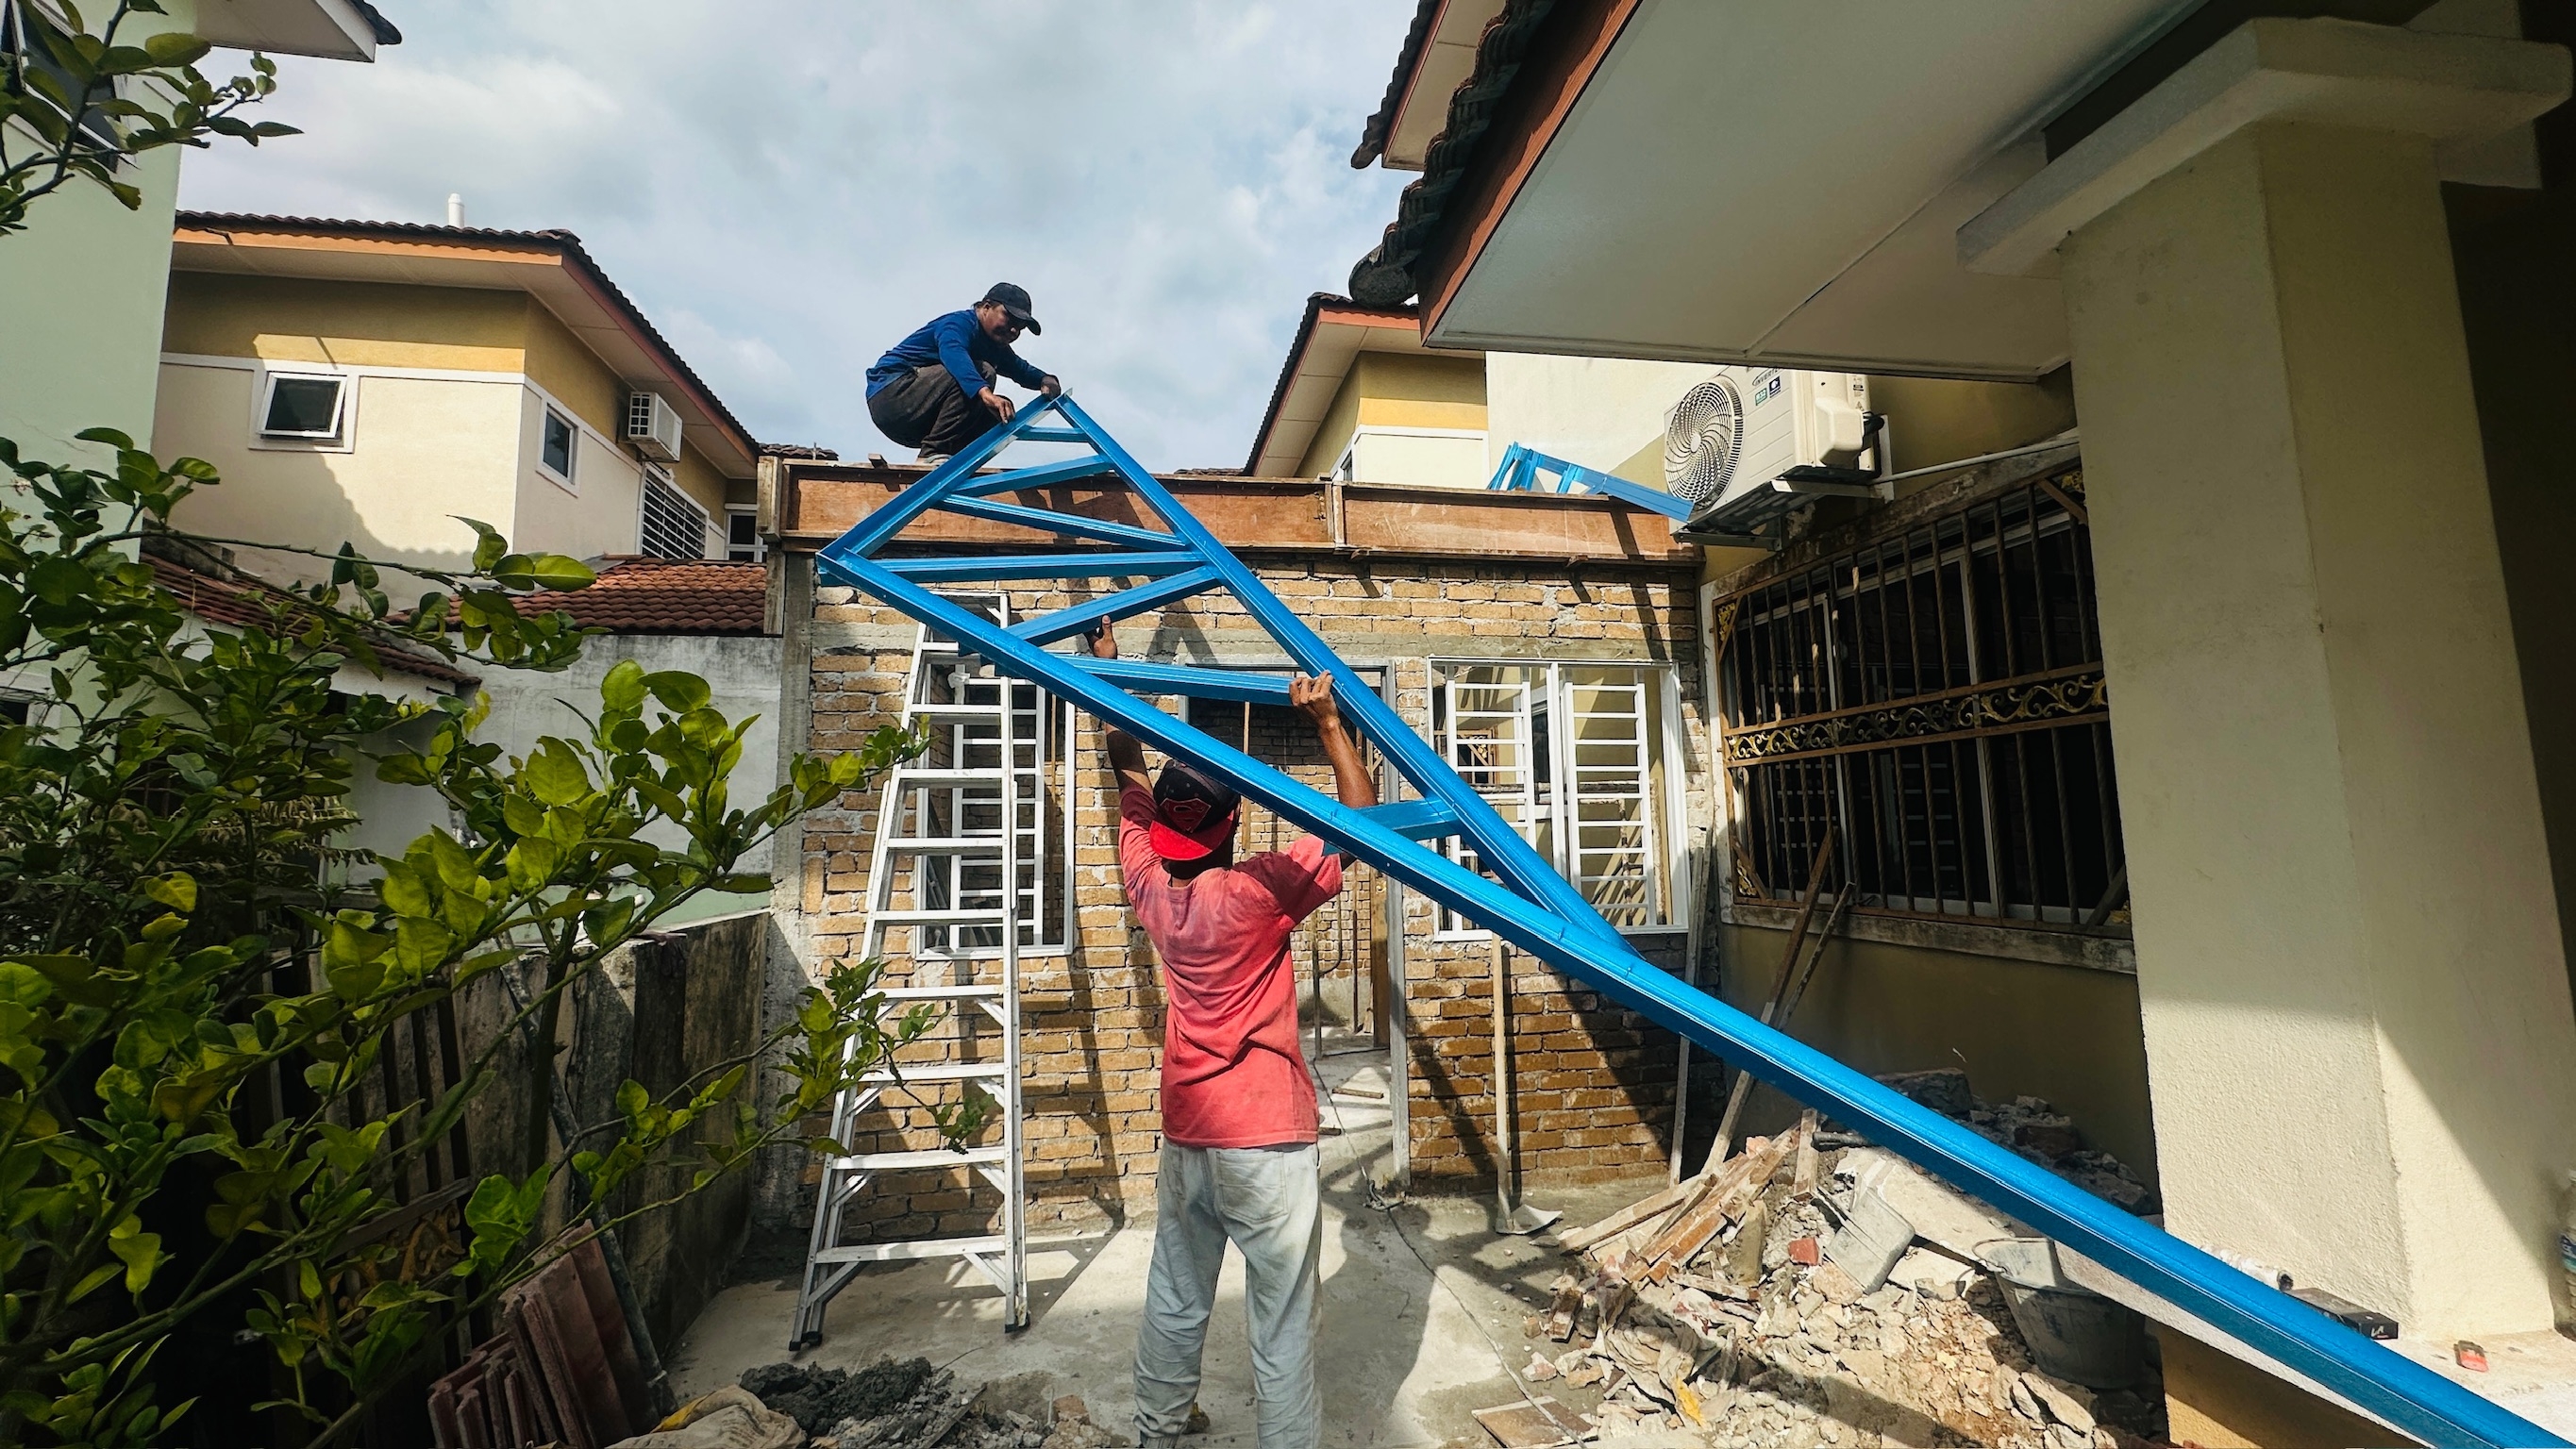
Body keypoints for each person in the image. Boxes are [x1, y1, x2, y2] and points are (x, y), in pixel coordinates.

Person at [1088, 620, 1376, 1449]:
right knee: (1280, 1322)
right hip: (1266, 1138)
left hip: (1190, 1130)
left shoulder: (1148, 883)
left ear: (1166, 830)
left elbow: (1127, 771)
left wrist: (1109, 675)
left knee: (1177, 1294)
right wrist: (1328, 723)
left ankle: (1158, 1429)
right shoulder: (1257, 893)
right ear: (1230, 825)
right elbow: (1362, 817)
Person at [866, 283, 1062, 462]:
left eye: (1019, 328)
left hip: (915, 423)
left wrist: (1045, 379)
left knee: (998, 413)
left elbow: (1021, 369)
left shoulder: (995, 347)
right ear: (986, 307)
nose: (1013, 330)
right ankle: (933, 453)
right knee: (983, 373)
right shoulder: (958, 324)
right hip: (892, 395)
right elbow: (954, 354)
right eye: (1009, 319)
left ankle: (951, 460)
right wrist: (985, 393)